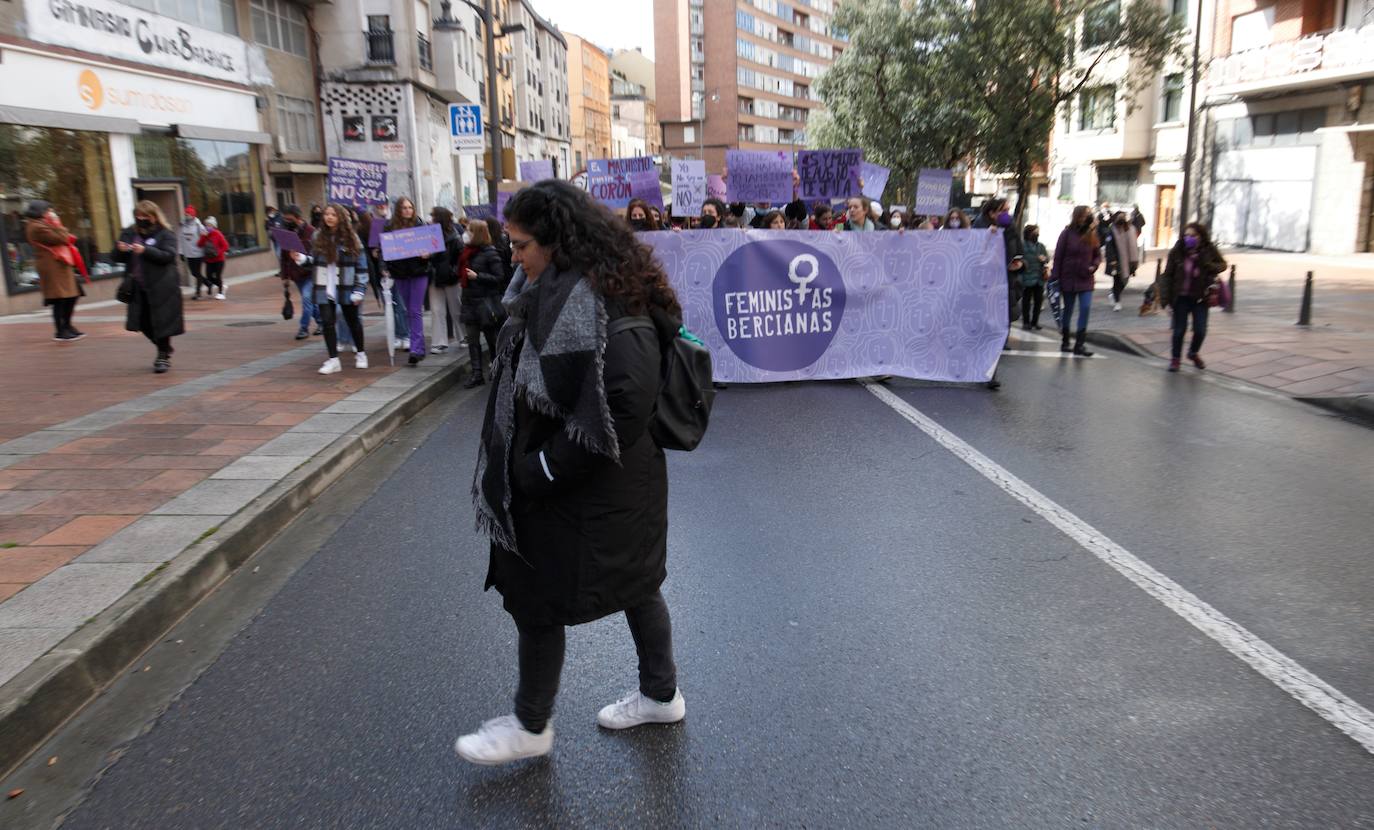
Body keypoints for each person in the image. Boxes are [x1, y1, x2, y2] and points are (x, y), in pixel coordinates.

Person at [458, 179, 685, 766]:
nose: (514, 256)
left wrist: (542, 469)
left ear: (558, 242)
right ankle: (661, 695)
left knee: (539, 597)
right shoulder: (544, 288)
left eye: (523, 244)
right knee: (635, 586)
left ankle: (532, 725)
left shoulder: (608, 298)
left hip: (594, 483)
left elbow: (628, 399)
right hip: (594, 483)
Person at [292, 204, 369, 375]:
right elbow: (315, 261)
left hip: (346, 286)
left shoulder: (351, 238)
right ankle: (334, 360)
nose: (329, 217)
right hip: (324, 286)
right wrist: (302, 258)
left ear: (340, 217)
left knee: (353, 321)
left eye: (333, 214)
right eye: (327, 214)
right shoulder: (318, 236)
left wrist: (359, 289)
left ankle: (361, 354)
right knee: (327, 322)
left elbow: (361, 267)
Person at [114, 201, 184, 373]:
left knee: (162, 322)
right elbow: (116, 257)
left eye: (145, 216)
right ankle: (163, 347)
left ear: (154, 216)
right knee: (142, 321)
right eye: (138, 216)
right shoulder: (130, 232)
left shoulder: (165, 234)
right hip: (137, 285)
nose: (141, 219)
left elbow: (168, 255)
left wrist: (145, 250)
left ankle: (162, 356)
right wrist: (121, 250)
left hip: (162, 285)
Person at [1158, 222, 1227, 372]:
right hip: (1180, 298)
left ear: (1200, 237)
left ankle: (1193, 353)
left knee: (1200, 330)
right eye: (1186, 235)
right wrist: (1165, 301)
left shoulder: (1208, 250)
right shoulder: (1177, 251)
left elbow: (1222, 265)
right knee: (1179, 330)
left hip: (1200, 298)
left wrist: (1208, 264)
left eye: (1193, 236)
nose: (1189, 238)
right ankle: (1175, 359)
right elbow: (1167, 276)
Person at [973, 198, 1023, 389]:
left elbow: (1018, 250)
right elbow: (974, 254)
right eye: (1003, 210)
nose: (1006, 214)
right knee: (985, 332)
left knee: (997, 331)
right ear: (992, 212)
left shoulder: (1009, 228)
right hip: (984, 288)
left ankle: (990, 373)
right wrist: (986, 236)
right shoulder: (980, 227)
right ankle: (981, 369)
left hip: (1003, 286)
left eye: (1008, 210)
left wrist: (1018, 263)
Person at [456, 219, 509, 388]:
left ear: (477, 233)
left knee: (491, 339)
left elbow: (499, 278)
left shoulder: (490, 253)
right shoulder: (466, 252)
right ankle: (477, 373)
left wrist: (478, 276)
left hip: (485, 304)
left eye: (469, 231)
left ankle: (496, 368)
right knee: (472, 340)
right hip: (470, 302)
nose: (466, 233)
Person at [24, 201, 86, 342]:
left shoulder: (43, 224)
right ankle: (60, 330)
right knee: (59, 298)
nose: (50, 213)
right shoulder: (36, 227)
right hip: (52, 266)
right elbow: (62, 238)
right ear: (39, 212)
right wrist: (57, 222)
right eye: (47, 210)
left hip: (60, 263)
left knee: (72, 295)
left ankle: (68, 326)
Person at [384, 197, 432, 365]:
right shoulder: (389, 227)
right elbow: (384, 250)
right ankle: (418, 347)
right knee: (406, 310)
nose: (407, 210)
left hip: (419, 272)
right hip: (400, 273)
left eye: (409, 207)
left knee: (415, 310)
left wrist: (427, 254)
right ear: (398, 210)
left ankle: (416, 349)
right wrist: (385, 266)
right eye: (403, 208)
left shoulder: (420, 225)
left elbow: (431, 247)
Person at [1052, 206, 1102, 357]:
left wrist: (1094, 266)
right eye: (1084, 215)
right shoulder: (1066, 234)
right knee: (1068, 310)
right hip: (1068, 278)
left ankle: (1080, 344)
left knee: (1085, 308)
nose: (1087, 217)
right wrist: (1055, 278)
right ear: (1077, 216)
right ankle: (1065, 341)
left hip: (1085, 278)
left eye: (1088, 215)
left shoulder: (1091, 234)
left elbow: (1097, 255)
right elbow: (1058, 256)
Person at [279, 205, 320, 340]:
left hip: (310, 272)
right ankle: (321, 323)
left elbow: (317, 254)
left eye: (289, 219)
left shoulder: (311, 232)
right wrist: (285, 276)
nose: (286, 221)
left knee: (307, 299)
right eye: (285, 219)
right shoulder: (286, 233)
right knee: (310, 302)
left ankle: (304, 328)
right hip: (296, 275)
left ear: (298, 218)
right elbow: (284, 258)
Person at [429, 206, 463, 355]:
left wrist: (454, 272)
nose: (430, 220)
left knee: (456, 308)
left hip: (450, 277)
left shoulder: (454, 236)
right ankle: (439, 341)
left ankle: (463, 336)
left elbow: (460, 258)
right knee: (437, 310)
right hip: (435, 276)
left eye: (433, 217)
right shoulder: (429, 235)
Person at [1102, 210, 1140, 312]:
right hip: (1116, 261)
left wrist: (1135, 260)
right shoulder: (1112, 231)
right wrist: (1112, 260)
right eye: (1120, 217)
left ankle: (1113, 294)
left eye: (1123, 217)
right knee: (1117, 281)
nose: (1122, 219)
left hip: (1129, 260)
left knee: (1125, 281)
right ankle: (1117, 302)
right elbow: (1109, 247)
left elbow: (1133, 245)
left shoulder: (1130, 229)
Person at [1020, 225, 1049, 331]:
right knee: (1026, 302)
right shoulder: (1023, 245)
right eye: (1035, 232)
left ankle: (1035, 322)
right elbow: (1018, 257)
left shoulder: (1040, 246)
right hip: (1027, 277)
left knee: (1038, 301)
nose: (1037, 234)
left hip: (1039, 278)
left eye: (1038, 232)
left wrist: (1044, 259)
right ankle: (1026, 322)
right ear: (1029, 233)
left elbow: (1047, 258)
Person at [179, 206, 207, 300]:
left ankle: (198, 293)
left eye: (188, 214)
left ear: (193, 215)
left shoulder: (198, 225)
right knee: (194, 273)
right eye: (185, 214)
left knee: (197, 273)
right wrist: (181, 252)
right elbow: (180, 239)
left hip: (198, 253)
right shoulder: (182, 225)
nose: (186, 216)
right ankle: (208, 284)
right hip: (188, 253)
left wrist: (202, 247)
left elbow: (205, 237)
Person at [198, 217, 230, 300]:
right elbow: (199, 245)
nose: (207, 226)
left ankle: (221, 293)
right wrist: (203, 236)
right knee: (209, 277)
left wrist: (217, 252)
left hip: (219, 259)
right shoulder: (205, 234)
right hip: (209, 259)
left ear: (213, 226)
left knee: (218, 276)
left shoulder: (218, 234)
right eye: (206, 225)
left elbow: (226, 246)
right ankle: (222, 286)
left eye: (209, 225)